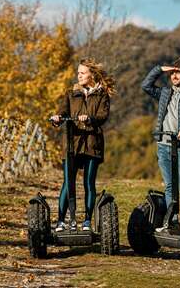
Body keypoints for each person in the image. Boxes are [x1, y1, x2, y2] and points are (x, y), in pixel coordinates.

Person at [50, 59, 115, 232]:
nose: (79, 76)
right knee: (68, 183)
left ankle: (87, 220)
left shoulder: (102, 95)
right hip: (72, 143)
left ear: (91, 75)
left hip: (92, 143)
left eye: (82, 73)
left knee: (89, 183)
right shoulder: (71, 93)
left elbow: (103, 115)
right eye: (78, 73)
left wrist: (90, 118)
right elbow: (63, 111)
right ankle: (62, 221)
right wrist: (57, 118)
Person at [141, 57, 180, 236]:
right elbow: (145, 85)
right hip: (163, 144)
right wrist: (160, 69)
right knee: (169, 185)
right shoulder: (165, 93)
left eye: (178, 72)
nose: (175, 76)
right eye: (173, 73)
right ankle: (172, 221)